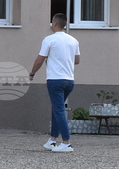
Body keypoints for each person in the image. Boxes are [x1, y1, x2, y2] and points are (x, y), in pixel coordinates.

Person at [28, 13, 81, 153]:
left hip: (55, 80)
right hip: (69, 80)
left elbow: (40, 59)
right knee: (57, 109)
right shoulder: (73, 41)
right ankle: (52, 140)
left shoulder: (49, 39)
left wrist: (32, 73)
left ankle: (67, 143)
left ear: (55, 24)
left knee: (59, 110)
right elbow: (77, 60)